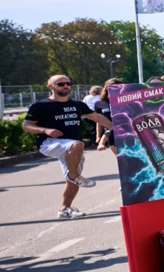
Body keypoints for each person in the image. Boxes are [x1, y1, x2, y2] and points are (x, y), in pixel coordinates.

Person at [22, 74, 113, 219]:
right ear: (50, 86)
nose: (65, 86)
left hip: (72, 148)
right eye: (61, 84)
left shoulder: (77, 104)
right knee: (77, 149)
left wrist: (116, 127)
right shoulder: (40, 106)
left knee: (73, 178)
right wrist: (45, 130)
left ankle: (64, 209)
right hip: (49, 143)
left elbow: (97, 117)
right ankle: (74, 175)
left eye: (68, 83)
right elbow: (26, 125)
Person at [94, 78, 119, 150]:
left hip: (125, 133)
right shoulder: (100, 103)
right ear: (107, 87)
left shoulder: (124, 101)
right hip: (110, 135)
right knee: (118, 156)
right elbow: (99, 121)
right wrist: (98, 136)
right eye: (113, 87)